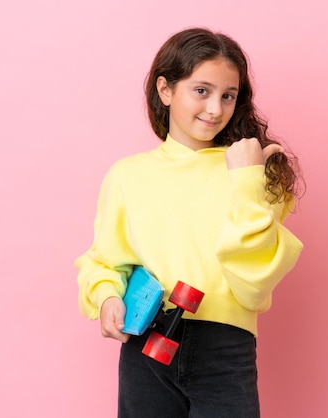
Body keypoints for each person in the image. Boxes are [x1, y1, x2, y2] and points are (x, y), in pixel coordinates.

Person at [75, 27, 304, 418]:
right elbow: (106, 260)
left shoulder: (253, 172)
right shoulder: (128, 175)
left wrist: (248, 180)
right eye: (201, 91)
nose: (215, 108)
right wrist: (108, 297)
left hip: (226, 346)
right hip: (146, 340)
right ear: (165, 90)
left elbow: (254, 282)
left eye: (228, 95)